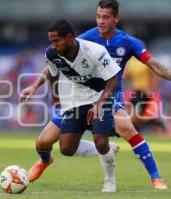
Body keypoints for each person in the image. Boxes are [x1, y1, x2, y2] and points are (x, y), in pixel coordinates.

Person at [20, 0, 171, 191]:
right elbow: (56, 62)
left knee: (128, 129)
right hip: (77, 98)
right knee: (44, 142)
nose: (100, 21)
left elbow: (153, 64)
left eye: (105, 17)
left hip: (109, 96)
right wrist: (35, 86)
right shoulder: (85, 39)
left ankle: (156, 178)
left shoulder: (127, 42)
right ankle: (45, 161)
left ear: (116, 18)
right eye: (98, 17)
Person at [37, 18, 121, 191]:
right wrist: (56, 97)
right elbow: (52, 74)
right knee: (66, 148)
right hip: (75, 101)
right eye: (51, 41)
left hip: (100, 97)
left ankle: (110, 180)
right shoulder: (52, 54)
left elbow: (113, 81)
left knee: (99, 140)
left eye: (56, 41)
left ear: (69, 37)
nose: (53, 45)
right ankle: (106, 150)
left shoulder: (95, 51)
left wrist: (99, 104)